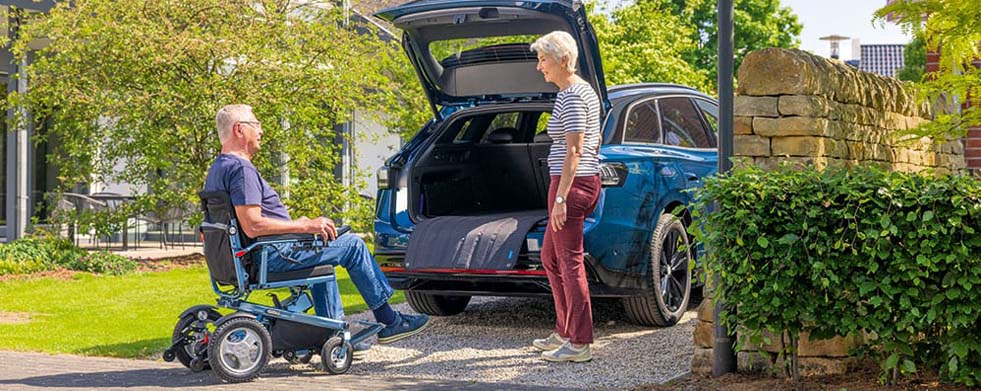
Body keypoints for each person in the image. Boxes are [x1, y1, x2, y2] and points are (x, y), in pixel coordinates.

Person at [203, 104, 430, 345]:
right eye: (256, 124)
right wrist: (304, 226)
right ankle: (389, 321)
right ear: (239, 129)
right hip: (272, 255)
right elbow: (253, 225)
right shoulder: (241, 169)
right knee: (353, 245)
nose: (261, 130)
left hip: (255, 255)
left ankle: (335, 337)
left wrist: (302, 227)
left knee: (324, 254)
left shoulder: (218, 168)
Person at [528, 31, 603, 363]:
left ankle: (580, 342)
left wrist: (560, 198)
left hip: (570, 186)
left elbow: (574, 150)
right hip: (572, 184)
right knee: (551, 258)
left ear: (562, 60)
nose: (539, 66)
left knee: (570, 263)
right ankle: (564, 331)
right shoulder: (576, 92)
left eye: (543, 59)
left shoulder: (573, 95)